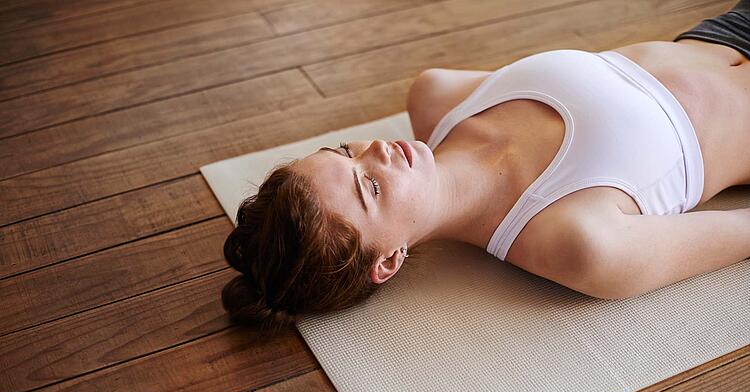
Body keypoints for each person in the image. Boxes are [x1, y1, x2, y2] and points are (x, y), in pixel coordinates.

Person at [222, 1, 750, 332]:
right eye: (370, 189)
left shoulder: (436, 97)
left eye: (344, 151)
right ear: (388, 261)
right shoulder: (577, 243)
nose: (378, 151)